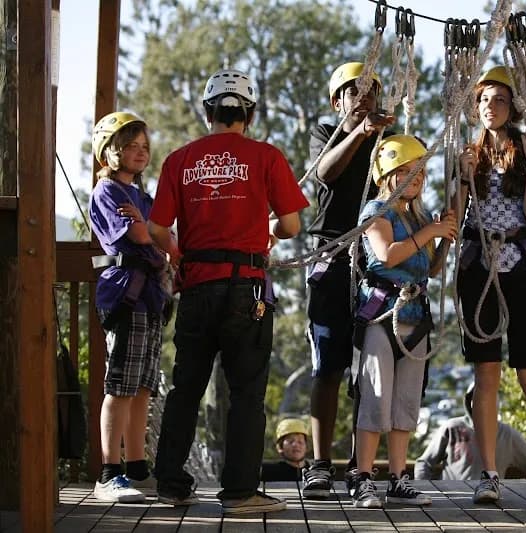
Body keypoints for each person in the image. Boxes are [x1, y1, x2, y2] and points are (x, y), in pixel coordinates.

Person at [148, 69, 309, 515]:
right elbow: (292, 225)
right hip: (246, 289)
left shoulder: (180, 160)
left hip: (198, 287)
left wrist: (179, 254)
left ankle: (170, 484)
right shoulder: (266, 157)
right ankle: (240, 492)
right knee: (246, 392)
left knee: (186, 388)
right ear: (249, 114)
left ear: (208, 113)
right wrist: (268, 229)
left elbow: (157, 227)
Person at [456, 66, 526, 504]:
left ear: (512, 106)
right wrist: (462, 176)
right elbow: (457, 215)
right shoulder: (467, 154)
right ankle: (489, 472)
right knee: (486, 371)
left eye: (498, 100)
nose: (489, 108)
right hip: (480, 265)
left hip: (522, 265)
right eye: (482, 100)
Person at [302, 61, 395, 500]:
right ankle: (319, 465)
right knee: (329, 362)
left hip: (375, 259)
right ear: (337, 102)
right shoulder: (329, 135)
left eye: (369, 93)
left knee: (372, 366)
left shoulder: (388, 143)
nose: (362, 101)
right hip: (335, 256)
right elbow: (325, 173)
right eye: (352, 94)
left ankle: (362, 469)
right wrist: (359, 131)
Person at [350, 134, 457, 508]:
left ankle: (398, 478)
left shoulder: (420, 217)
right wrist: (431, 232)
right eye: (408, 172)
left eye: (421, 172)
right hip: (382, 315)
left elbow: (431, 267)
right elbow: (386, 254)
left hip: (415, 319)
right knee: (376, 398)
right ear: (388, 173)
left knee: (406, 402)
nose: (417, 178)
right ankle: (363, 477)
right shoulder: (376, 211)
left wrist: (443, 237)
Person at [89, 112, 168, 503]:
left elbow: (160, 232)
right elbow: (139, 233)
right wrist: (150, 231)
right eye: (130, 147)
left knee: (142, 387)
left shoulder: (142, 196)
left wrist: (151, 230)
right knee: (120, 385)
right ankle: (109, 472)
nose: (139, 153)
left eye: (144, 147)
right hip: (127, 292)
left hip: (151, 294)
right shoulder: (108, 193)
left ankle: (137, 467)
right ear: (109, 153)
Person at [414, 383, 526, 481]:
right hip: (452, 499)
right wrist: (428, 491)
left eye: (487, 398)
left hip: (490, 502)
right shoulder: (451, 428)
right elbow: (423, 464)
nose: (481, 402)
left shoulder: (506, 435)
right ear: (469, 401)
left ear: (495, 402)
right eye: (476, 397)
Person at [261, 418, 312, 482]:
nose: (295, 445)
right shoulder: (267, 471)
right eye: (291, 441)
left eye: (300, 441)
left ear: (306, 446)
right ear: (280, 447)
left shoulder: (315, 472)